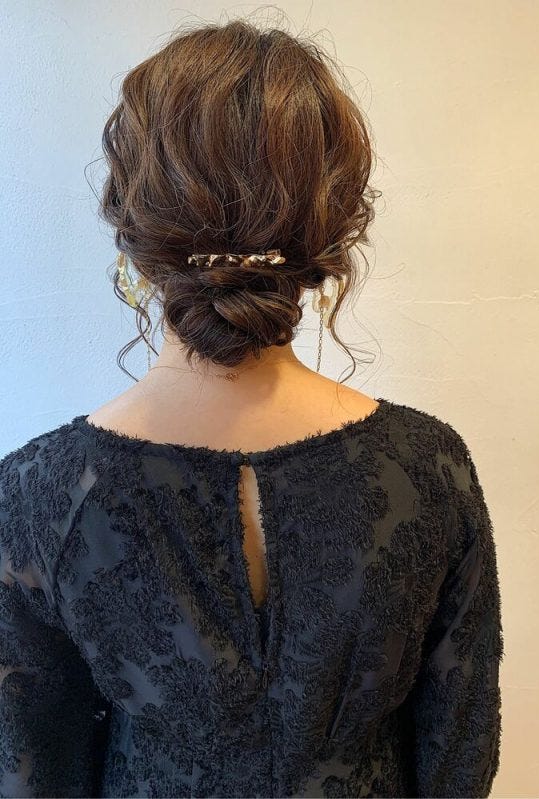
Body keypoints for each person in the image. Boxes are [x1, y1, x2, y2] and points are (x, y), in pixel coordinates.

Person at [0, 17, 504, 799]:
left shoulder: (40, 492)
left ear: (133, 224)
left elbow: (32, 766)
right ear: (330, 227)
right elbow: (458, 755)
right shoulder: (428, 468)